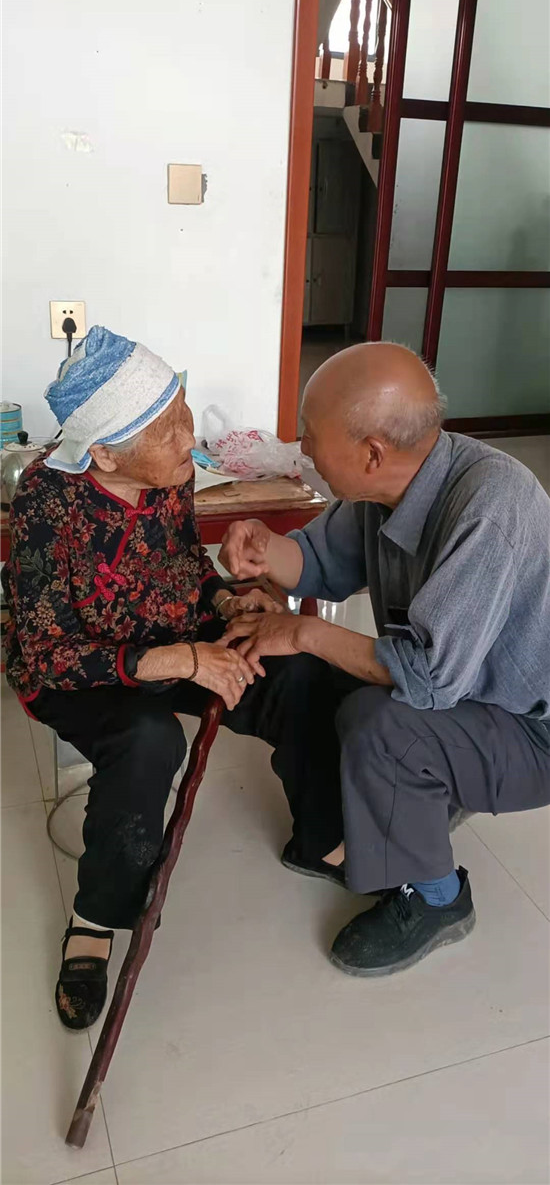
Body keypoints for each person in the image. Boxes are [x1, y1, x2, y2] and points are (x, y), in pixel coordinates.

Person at [2, 326, 346, 1029]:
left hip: (171, 634)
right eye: (168, 431)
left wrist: (224, 604)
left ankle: (320, 836)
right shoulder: (46, 499)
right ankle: (95, 916)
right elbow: (42, 653)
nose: (189, 441)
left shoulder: (172, 475)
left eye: (185, 415)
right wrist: (185, 660)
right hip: (82, 672)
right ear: (104, 452)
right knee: (148, 738)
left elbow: (183, 566)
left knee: (296, 674)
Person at [221, 341, 550, 978]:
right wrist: (265, 549)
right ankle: (363, 828)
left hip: (531, 725)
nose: (302, 448)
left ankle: (438, 899)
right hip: (463, 687)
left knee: (380, 726)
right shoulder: (387, 488)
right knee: (311, 676)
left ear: (372, 452)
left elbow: (427, 678)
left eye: (310, 434)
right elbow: (317, 561)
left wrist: (305, 633)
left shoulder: (490, 507)